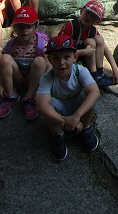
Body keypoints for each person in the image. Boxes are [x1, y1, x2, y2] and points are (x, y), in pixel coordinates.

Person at [36, 34, 101, 162]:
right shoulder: (48, 77)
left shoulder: (80, 71)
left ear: (75, 57)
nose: (61, 63)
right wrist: (64, 122)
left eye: (66, 57)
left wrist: (76, 117)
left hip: (77, 106)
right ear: (49, 60)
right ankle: (58, 134)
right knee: (46, 107)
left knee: (89, 97)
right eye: (56, 58)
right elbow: (41, 105)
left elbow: (95, 92)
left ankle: (86, 127)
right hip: (59, 111)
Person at [0, 6, 50, 120]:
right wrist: (0, 84)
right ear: (14, 28)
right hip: (18, 79)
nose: (24, 30)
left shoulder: (41, 44)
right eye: (20, 27)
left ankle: (29, 98)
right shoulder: (11, 45)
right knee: (4, 58)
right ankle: (11, 96)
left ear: (36, 27)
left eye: (28, 27)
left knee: (40, 61)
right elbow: (2, 67)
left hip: (34, 81)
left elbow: (49, 67)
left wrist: (44, 89)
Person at [59, 0, 118, 89]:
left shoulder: (92, 30)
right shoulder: (71, 26)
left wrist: (116, 70)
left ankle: (99, 73)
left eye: (93, 16)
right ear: (82, 11)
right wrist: (84, 52)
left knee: (98, 39)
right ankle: (94, 76)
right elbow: (61, 51)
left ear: (97, 21)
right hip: (69, 61)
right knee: (91, 42)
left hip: (84, 61)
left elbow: (106, 50)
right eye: (88, 12)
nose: (89, 17)